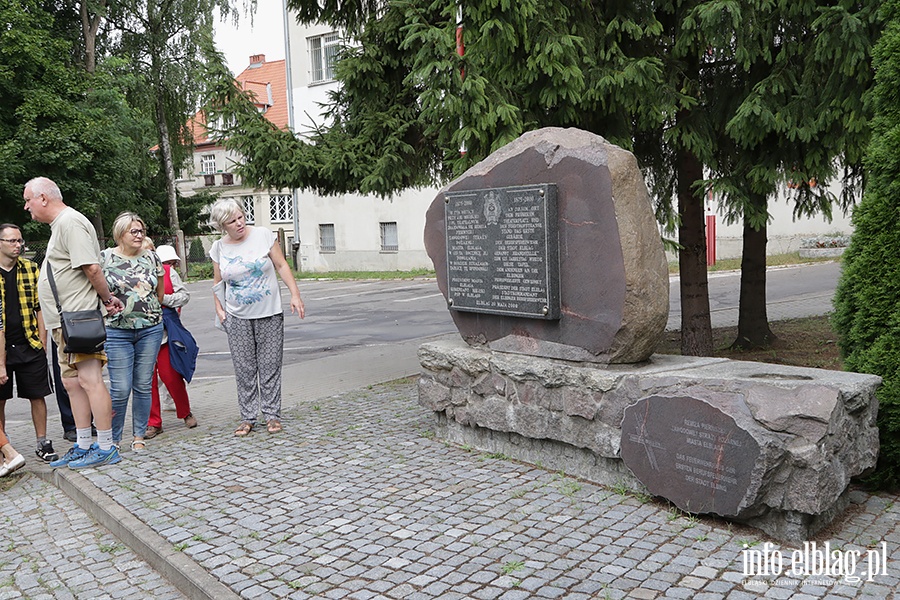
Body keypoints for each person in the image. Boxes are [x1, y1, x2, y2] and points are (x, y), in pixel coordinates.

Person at [24, 176, 124, 469]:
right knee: (71, 383)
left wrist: (107, 299)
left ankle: (106, 446)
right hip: (64, 323)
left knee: (90, 380)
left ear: (44, 198)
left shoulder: (71, 222)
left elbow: (92, 267)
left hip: (79, 319)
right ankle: (83, 444)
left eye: (28, 200)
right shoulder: (61, 226)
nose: (27, 207)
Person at [209, 198, 305, 436]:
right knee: (244, 368)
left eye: (241, 217)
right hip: (237, 316)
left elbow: (281, 265)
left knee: (270, 365)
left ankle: (272, 415)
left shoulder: (263, 235)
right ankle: (248, 417)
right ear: (223, 226)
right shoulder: (219, 248)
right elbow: (217, 282)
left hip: (269, 312)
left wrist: (295, 294)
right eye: (232, 221)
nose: (239, 223)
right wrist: (219, 310)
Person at [100, 213, 164, 452]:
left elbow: (159, 292)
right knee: (120, 387)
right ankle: (113, 438)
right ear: (120, 234)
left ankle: (139, 435)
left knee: (143, 384)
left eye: (141, 231)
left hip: (150, 329)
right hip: (117, 330)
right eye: (133, 231)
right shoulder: (105, 257)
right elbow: (95, 289)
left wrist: (150, 313)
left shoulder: (152, 257)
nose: (139, 235)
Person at [0, 224, 58, 462]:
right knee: (0, 398)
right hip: (2, 347)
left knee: (38, 394)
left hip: (29, 342)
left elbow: (40, 306)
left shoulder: (31, 268)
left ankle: (42, 442)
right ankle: (4, 448)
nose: (18, 246)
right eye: (12, 241)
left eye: (20, 241)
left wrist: (42, 340)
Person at [145, 244, 197, 438]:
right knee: (146, 382)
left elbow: (184, 296)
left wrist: (163, 299)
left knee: (171, 376)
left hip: (165, 335)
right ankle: (153, 423)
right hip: (140, 336)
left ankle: (185, 412)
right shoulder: (129, 274)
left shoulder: (168, 272)